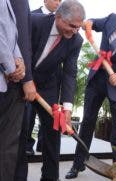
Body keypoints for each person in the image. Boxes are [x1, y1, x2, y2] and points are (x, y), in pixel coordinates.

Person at [65, 4, 116, 179]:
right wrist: (88, 23)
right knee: (88, 121)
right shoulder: (112, 19)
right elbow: (95, 23)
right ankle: (78, 164)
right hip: (98, 78)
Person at [24, 0, 85, 180]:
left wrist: (67, 107)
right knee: (19, 132)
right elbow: (21, 50)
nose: (74, 31)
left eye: (78, 27)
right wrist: (27, 79)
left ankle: (50, 177)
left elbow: (69, 72)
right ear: (58, 17)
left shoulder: (76, 40)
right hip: (20, 80)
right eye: (71, 26)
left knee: (52, 132)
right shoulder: (34, 21)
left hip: (47, 86)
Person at [25, 0, 62, 157]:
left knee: (48, 114)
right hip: (30, 75)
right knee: (28, 113)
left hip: (52, 77)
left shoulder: (64, 21)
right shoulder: (32, 16)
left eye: (61, 0)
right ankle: (27, 144)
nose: (58, 2)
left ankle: (43, 144)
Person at [0, 0, 27, 180]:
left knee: (7, 147)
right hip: (7, 75)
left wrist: (19, 60)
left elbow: (12, 35)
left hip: (7, 81)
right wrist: (12, 68)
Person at [8, 0, 33, 180]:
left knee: (20, 139)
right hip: (15, 79)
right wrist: (26, 78)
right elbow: (19, 37)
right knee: (10, 143)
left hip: (25, 77)